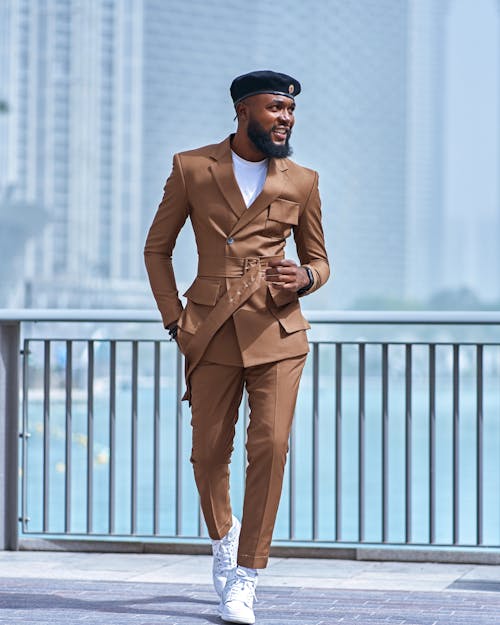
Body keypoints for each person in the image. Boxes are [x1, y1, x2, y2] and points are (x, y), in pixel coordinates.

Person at [144, 69, 329, 624]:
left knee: (271, 448)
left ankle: (246, 573)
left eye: (290, 111)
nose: (285, 119)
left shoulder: (303, 179)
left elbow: (319, 259)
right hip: (210, 329)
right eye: (275, 109)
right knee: (207, 454)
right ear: (243, 110)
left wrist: (308, 280)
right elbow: (157, 250)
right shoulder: (191, 167)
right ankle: (223, 543)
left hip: (279, 331)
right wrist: (176, 322)